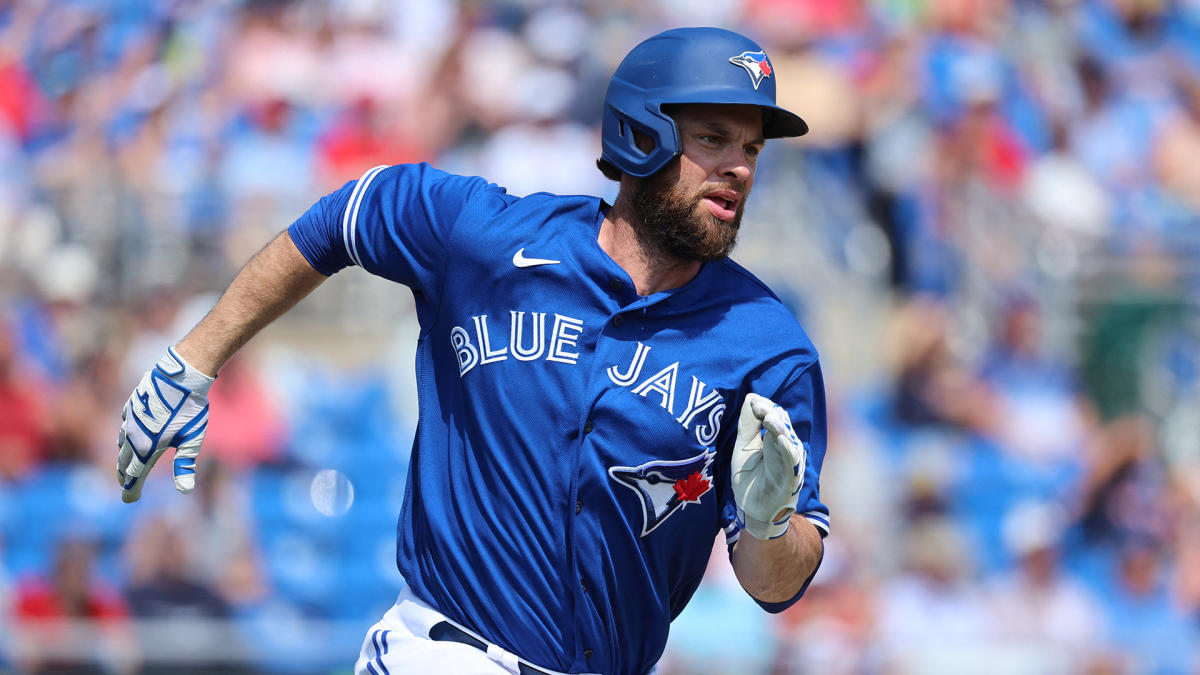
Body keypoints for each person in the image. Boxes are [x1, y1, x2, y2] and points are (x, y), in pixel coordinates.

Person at [116, 27, 831, 675]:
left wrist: (768, 525)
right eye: (714, 137)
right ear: (642, 133)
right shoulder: (487, 238)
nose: (739, 166)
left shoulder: (769, 345)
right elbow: (346, 217)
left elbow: (775, 584)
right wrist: (194, 359)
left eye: (752, 148)